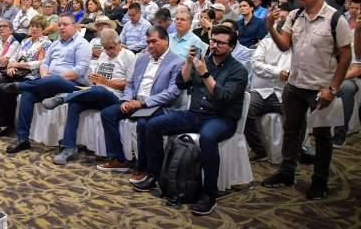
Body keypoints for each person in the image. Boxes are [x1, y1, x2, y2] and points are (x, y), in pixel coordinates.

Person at [136, 26, 248, 216]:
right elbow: (182, 83)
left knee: (207, 137)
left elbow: (222, 97)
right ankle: (155, 175)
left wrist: (204, 73)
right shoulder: (202, 61)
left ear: (231, 46)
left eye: (221, 43)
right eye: (213, 41)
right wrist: (188, 62)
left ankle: (209, 194)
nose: (215, 45)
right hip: (195, 114)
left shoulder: (238, 70)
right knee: (153, 125)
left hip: (221, 118)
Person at [261, 0, 352, 200]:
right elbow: (284, 47)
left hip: (320, 88)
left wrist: (332, 89)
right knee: (291, 131)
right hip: (294, 85)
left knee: (322, 137)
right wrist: (271, 27)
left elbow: (345, 57)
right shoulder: (295, 15)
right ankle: (287, 172)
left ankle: (319, 182)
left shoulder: (335, 19)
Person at [0, 13, 91, 153]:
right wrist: (46, 77)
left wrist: (52, 78)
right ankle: (22, 139)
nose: (61, 27)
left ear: (75, 26)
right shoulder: (56, 43)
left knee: (54, 79)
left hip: (74, 84)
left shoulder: (82, 44)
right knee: (28, 95)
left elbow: (80, 70)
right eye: (59, 25)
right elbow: (44, 63)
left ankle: (19, 86)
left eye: (65, 24)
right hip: (49, 82)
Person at [96, 26, 184, 175]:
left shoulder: (177, 62)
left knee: (143, 123)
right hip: (134, 102)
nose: (150, 45)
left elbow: (171, 93)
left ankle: (143, 167)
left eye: (154, 41)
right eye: (148, 42)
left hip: (156, 105)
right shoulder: (142, 58)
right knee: (107, 114)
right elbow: (130, 84)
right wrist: (125, 99)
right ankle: (118, 160)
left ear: (165, 41)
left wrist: (143, 103)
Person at [43, 28, 136, 165]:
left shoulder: (129, 56)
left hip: (115, 97)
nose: (109, 51)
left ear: (119, 43)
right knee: (75, 104)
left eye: (111, 48)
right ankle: (69, 148)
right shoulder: (103, 55)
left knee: (99, 90)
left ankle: (64, 97)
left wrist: (105, 82)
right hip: (97, 92)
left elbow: (129, 85)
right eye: (105, 48)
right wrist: (93, 79)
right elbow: (96, 79)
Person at [0, 16, 52, 138]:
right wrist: (11, 66)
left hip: (32, 76)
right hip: (17, 72)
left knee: (9, 89)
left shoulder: (47, 43)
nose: (34, 29)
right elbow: (14, 57)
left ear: (43, 29)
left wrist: (18, 64)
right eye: (32, 26)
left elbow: (41, 63)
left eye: (37, 27)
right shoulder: (25, 41)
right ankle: (3, 124)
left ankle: (9, 124)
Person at [245, 9, 292, 161]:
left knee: (296, 118)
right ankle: (259, 149)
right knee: (245, 112)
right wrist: (278, 73)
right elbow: (256, 65)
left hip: (285, 92)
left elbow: (296, 70)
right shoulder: (266, 43)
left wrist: (281, 73)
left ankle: (293, 152)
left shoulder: (297, 48)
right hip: (261, 91)